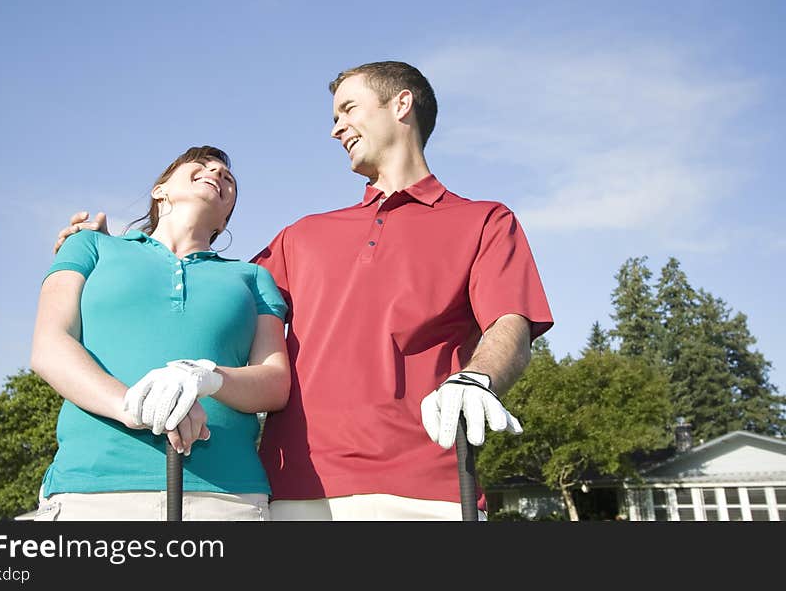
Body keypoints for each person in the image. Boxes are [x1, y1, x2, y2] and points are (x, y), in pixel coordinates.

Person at [56, 61, 553, 520]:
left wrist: (479, 378)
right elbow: (201, 291)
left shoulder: (485, 220)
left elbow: (509, 320)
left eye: (348, 109)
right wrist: (108, 255)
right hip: (299, 492)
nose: (336, 127)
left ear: (401, 105)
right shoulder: (302, 236)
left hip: (431, 489)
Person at [32, 146, 290, 521]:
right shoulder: (90, 245)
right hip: (94, 489)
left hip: (226, 496)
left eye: (228, 177)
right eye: (201, 166)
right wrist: (138, 405)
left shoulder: (251, 278)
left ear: (225, 219)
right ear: (160, 190)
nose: (217, 172)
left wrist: (205, 376)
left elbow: (274, 382)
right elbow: (50, 346)